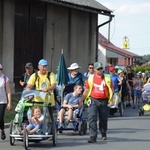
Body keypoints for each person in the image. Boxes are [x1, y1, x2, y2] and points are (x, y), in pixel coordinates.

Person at [79, 62, 113, 143]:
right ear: (94, 69)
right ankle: (93, 136)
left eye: (101, 69)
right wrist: (81, 100)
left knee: (103, 119)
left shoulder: (107, 78)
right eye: (98, 69)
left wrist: (111, 100)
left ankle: (103, 132)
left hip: (104, 100)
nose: (100, 70)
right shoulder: (90, 78)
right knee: (92, 118)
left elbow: (111, 89)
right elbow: (86, 90)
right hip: (93, 100)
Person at [0, 64, 12, 140]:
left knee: (0, 118)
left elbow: (8, 91)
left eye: (0, 69)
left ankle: (2, 130)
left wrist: (9, 102)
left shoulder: (5, 78)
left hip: (2, 101)